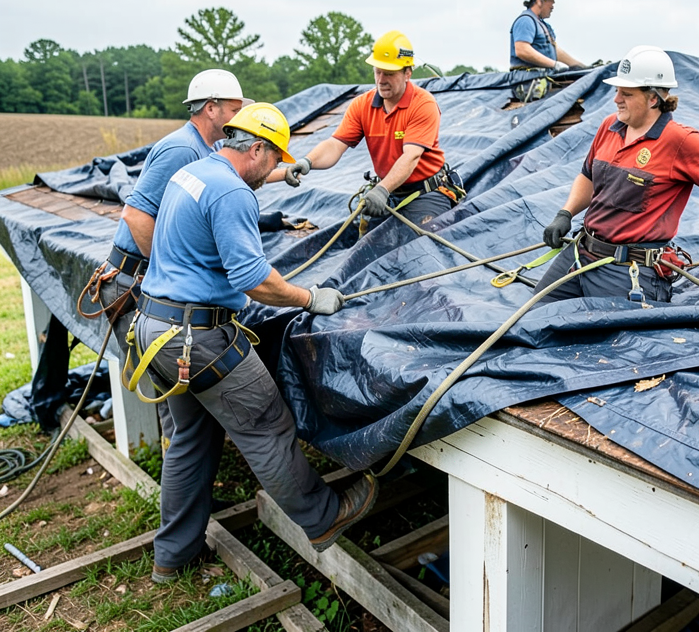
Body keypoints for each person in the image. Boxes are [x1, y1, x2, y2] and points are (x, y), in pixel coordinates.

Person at [129, 102, 377, 582]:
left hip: (155, 329)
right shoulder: (231, 193)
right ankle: (325, 517)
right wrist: (309, 298)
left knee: (190, 442)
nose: (273, 170)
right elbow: (253, 280)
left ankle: (173, 557)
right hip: (196, 338)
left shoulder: (194, 172)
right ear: (257, 149)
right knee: (267, 426)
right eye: (276, 158)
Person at [82, 68, 249, 449]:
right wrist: (168, 274)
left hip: (142, 279)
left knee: (180, 407)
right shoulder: (182, 149)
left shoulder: (203, 147)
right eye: (235, 109)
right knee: (179, 410)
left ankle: (183, 486)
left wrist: (282, 171)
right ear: (212, 108)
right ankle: (181, 486)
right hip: (134, 281)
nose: (239, 119)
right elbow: (136, 215)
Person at [536, 46, 699, 303]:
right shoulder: (610, 126)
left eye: (626, 93)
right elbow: (588, 176)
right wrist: (565, 214)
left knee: (614, 341)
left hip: (627, 270)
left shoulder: (680, 141)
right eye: (617, 90)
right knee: (533, 320)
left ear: (653, 98)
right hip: (581, 255)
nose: (616, 98)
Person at [270, 30, 462, 225]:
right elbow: (335, 145)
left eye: (389, 73)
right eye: (377, 71)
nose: (381, 80)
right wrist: (307, 161)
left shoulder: (423, 104)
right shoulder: (362, 105)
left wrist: (382, 190)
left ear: (407, 73)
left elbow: (411, 156)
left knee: (423, 244)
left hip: (425, 194)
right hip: (388, 192)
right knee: (369, 249)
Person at [509, 0, 586, 71]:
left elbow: (556, 51)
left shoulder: (543, 25)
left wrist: (582, 67)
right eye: (551, 2)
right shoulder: (526, 21)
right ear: (539, 1)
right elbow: (522, 50)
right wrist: (554, 64)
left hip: (541, 78)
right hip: (527, 80)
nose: (552, 6)